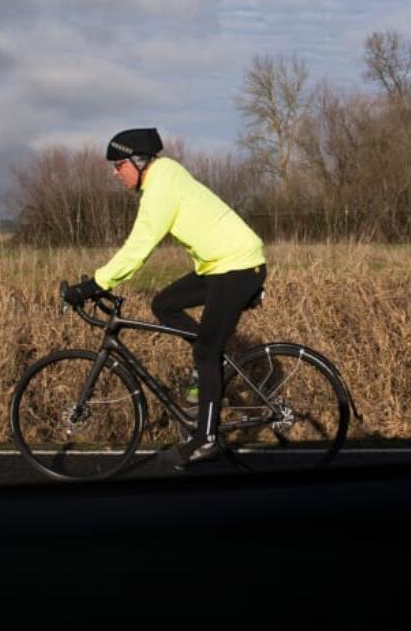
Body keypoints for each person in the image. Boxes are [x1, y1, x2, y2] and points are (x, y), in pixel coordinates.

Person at [62, 128, 266, 467]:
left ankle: (206, 439)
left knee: (205, 351)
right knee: (164, 304)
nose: (115, 173)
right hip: (219, 266)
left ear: (138, 161)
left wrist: (93, 286)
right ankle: (206, 370)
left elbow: (137, 249)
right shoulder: (163, 177)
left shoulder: (161, 186)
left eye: (118, 165)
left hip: (238, 266)